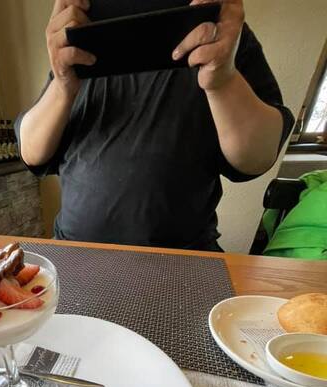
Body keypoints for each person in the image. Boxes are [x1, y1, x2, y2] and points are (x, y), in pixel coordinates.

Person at [15, 0, 294, 251]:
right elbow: (32, 153)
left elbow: (256, 158)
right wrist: (62, 85)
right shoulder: (80, 39)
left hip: (182, 259)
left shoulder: (219, 36)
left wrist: (223, 80)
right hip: (76, 254)